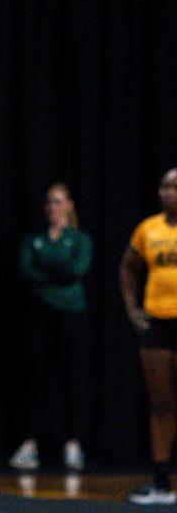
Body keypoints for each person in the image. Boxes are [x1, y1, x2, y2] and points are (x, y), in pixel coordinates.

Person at [8, 183, 92, 472]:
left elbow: (75, 270)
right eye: (48, 202)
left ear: (69, 206)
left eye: (57, 202)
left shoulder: (80, 240)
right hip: (39, 318)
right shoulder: (33, 240)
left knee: (72, 379)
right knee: (35, 380)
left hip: (71, 317)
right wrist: (55, 270)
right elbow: (26, 271)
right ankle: (30, 445)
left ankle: (73, 444)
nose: (52, 208)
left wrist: (49, 268)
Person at [122, 168, 177, 505]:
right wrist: (132, 309)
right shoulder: (148, 228)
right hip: (157, 323)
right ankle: (160, 481)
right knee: (161, 407)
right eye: (164, 186)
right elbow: (128, 267)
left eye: (175, 187)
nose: (168, 192)